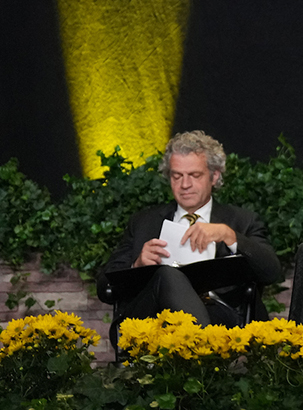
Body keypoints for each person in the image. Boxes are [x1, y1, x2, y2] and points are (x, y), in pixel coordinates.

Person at [103, 130, 282, 324]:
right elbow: (105, 287)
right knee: (167, 275)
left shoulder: (242, 221)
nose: (185, 184)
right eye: (177, 176)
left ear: (214, 177)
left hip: (219, 320)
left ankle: (193, 342)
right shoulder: (143, 222)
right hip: (152, 320)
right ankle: (195, 344)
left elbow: (271, 272)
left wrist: (229, 236)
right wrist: (136, 266)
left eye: (194, 175)